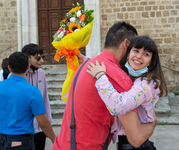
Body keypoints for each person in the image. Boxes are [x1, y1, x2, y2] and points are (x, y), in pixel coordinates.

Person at [52, 22, 157, 150]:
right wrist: (152, 123)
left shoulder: (88, 65)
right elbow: (136, 138)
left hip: (62, 145)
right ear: (126, 44)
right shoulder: (118, 77)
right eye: (134, 49)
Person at [87, 36, 168, 150]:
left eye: (146, 54)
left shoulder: (145, 85)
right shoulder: (130, 77)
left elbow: (118, 106)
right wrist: (87, 61)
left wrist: (100, 76)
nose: (139, 56)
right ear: (128, 53)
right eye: (136, 51)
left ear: (151, 61)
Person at [0, 52, 56, 150]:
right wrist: (54, 139)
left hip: (1, 140)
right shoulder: (32, 91)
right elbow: (43, 123)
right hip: (22, 141)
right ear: (28, 67)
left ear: (9, 68)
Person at [21, 43, 52, 150]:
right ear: (27, 58)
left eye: (42, 57)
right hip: (25, 129)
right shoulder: (18, 74)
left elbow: (45, 99)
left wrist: (48, 120)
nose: (42, 61)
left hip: (40, 128)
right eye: (37, 58)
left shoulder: (41, 73)